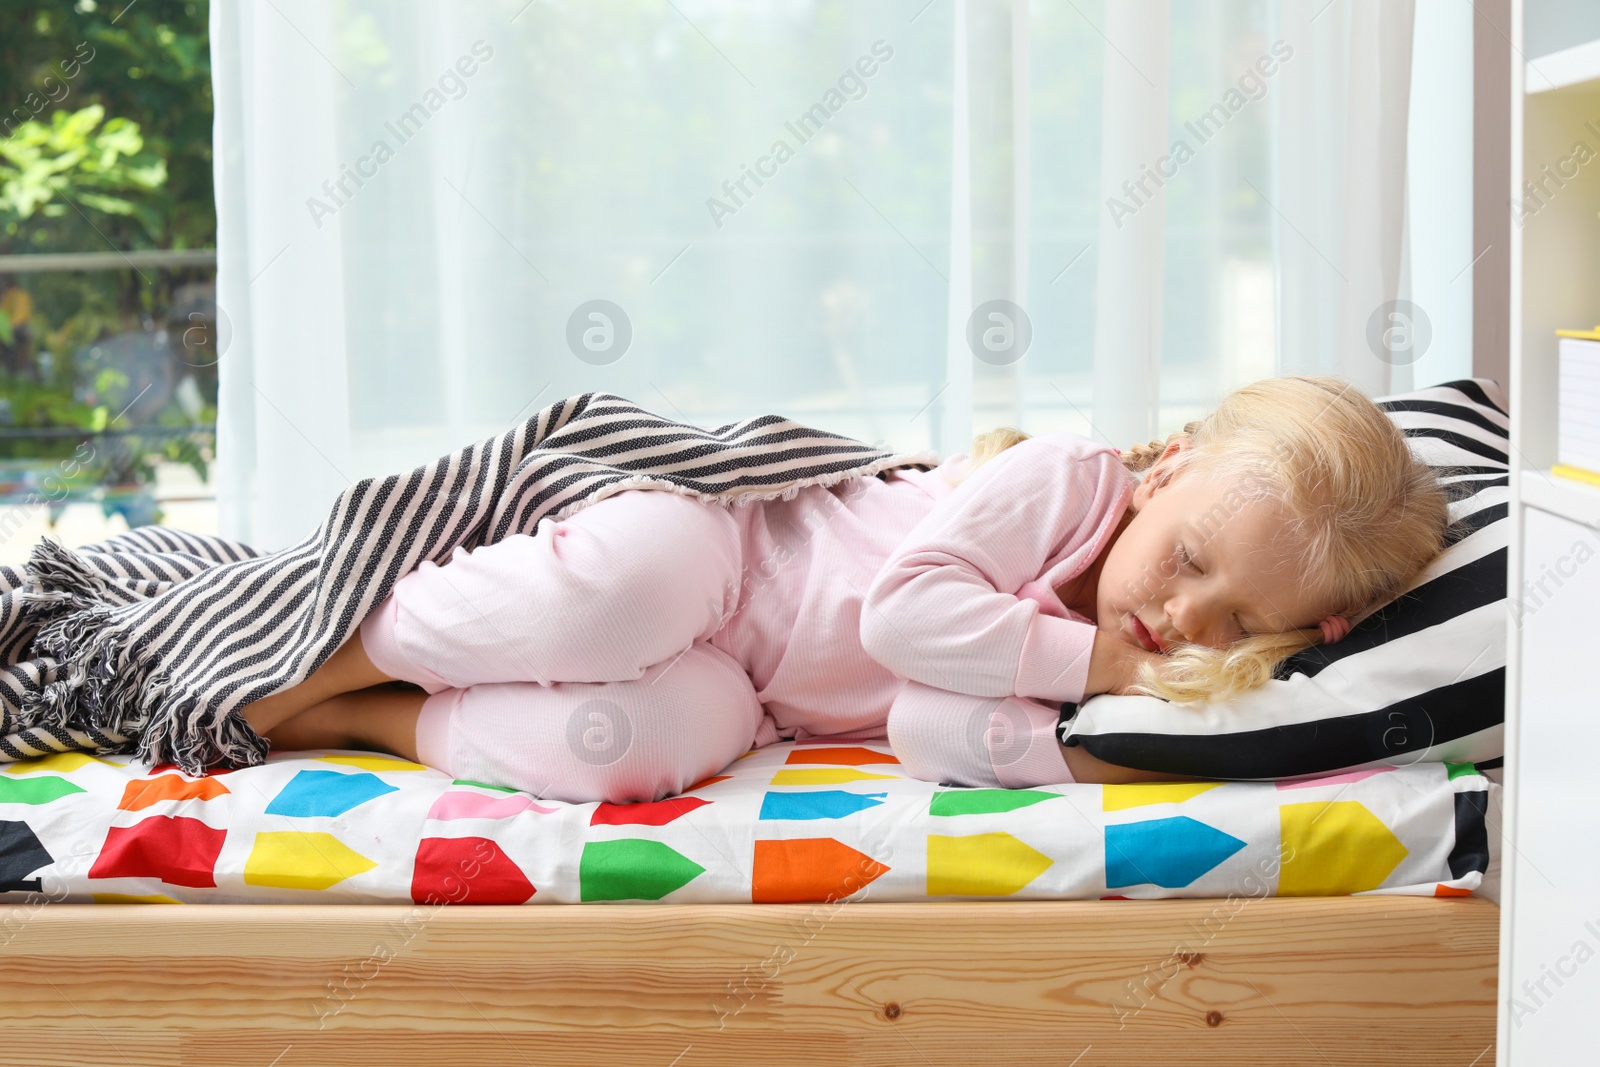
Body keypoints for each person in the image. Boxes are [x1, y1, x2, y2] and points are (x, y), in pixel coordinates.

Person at [241, 375, 1450, 802]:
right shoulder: (1066, 484)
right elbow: (903, 617)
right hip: (730, 551)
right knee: (627, 593)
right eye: (1189, 562)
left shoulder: (1147, 675)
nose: (1187, 617)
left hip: (757, 697)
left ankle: (360, 718)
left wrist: (1087, 747)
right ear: (1167, 468)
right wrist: (1092, 666)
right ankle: (321, 657)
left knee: (636, 746)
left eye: (1242, 623)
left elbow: (922, 719)